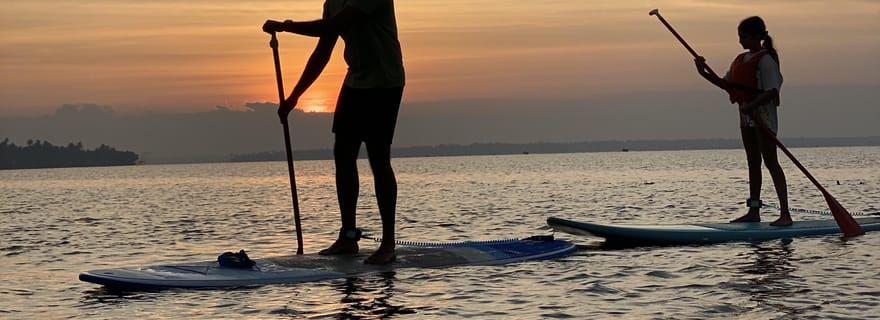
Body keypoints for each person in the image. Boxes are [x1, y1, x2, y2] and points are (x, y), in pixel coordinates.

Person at [263, 0, 405, 264]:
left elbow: (335, 25)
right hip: (355, 81)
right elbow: (323, 52)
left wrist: (287, 27)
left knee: (378, 157)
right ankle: (348, 237)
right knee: (343, 153)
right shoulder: (332, 2)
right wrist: (294, 97)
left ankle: (388, 244)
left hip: (385, 81)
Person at [693, 16, 792, 226]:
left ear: (757, 37)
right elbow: (725, 84)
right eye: (739, 37)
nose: (740, 41)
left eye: (744, 37)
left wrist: (751, 106)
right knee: (753, 163)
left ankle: (785, 214)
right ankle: (753, 211)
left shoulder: (766, 60)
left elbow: (771, 91)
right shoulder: (740, 59)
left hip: (763, 116)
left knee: (770, 162)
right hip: (746, 117)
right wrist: (702, 72)